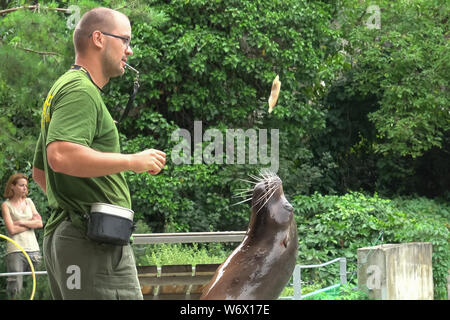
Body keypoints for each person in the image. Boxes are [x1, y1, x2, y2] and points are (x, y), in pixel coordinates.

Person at [32, 7, 166, 300]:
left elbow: (40, 172)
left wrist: (71, 205)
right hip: (90, 244)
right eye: (125, 40)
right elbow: (60, 156)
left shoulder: (64, 88)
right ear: (98, 38)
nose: (129, 51)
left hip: (77, 236)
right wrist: (132, 161)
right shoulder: (80, 91)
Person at [1, 173, 43, 299]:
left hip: (33, 250)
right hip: (15, 251)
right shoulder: (6, 205)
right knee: (15, 287)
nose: (25, 188)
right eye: (21, 185)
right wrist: (31, 224)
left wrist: (22, 222)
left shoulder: (29, 202)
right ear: (12, 187)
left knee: (38, 285)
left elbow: (40, 223)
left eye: (26, 185)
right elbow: (12, 229)